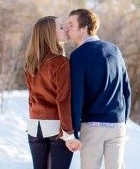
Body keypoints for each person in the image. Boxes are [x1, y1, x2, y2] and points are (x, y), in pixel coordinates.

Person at [67, 8, 131, 169]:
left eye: (71, 24)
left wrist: (73, 131)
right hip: (117, 125)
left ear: (84, 28)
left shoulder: (78, 55)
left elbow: (77, 95)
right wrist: (123, 119)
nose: (67, 28)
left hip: (93, 126)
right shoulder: (115, 50)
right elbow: (126, 89)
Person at [24, 16, 82, 169]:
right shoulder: (60, 63)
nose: (65, 30)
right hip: (57, 128)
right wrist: (68, 134)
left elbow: (31, 98)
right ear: (51, 33)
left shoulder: (31, 62)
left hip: (34, 127)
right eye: (61, 27)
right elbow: (63, 100)